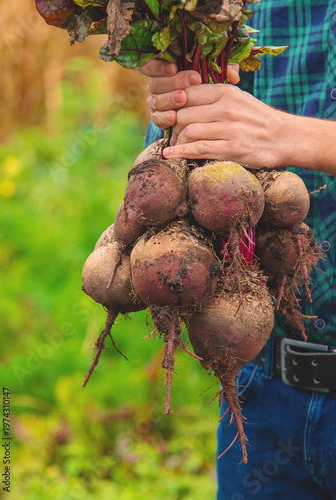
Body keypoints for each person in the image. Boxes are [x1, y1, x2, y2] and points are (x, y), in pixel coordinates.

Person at [140, 1, 336, 498]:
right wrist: (178, 103)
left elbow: (269, 136)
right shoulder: (233, 8)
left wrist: (292, 137)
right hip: (262, 387)